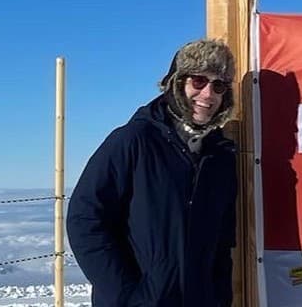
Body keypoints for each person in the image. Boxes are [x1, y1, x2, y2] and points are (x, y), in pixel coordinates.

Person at [66, 38, 238, 307]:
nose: (208, 94)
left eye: (218, 85)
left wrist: (218, 298)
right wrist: (127, 297)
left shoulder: (221, 156)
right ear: (177, 82)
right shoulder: (134, 140)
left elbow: (222, 242)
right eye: (198, 81)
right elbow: (85, 219)